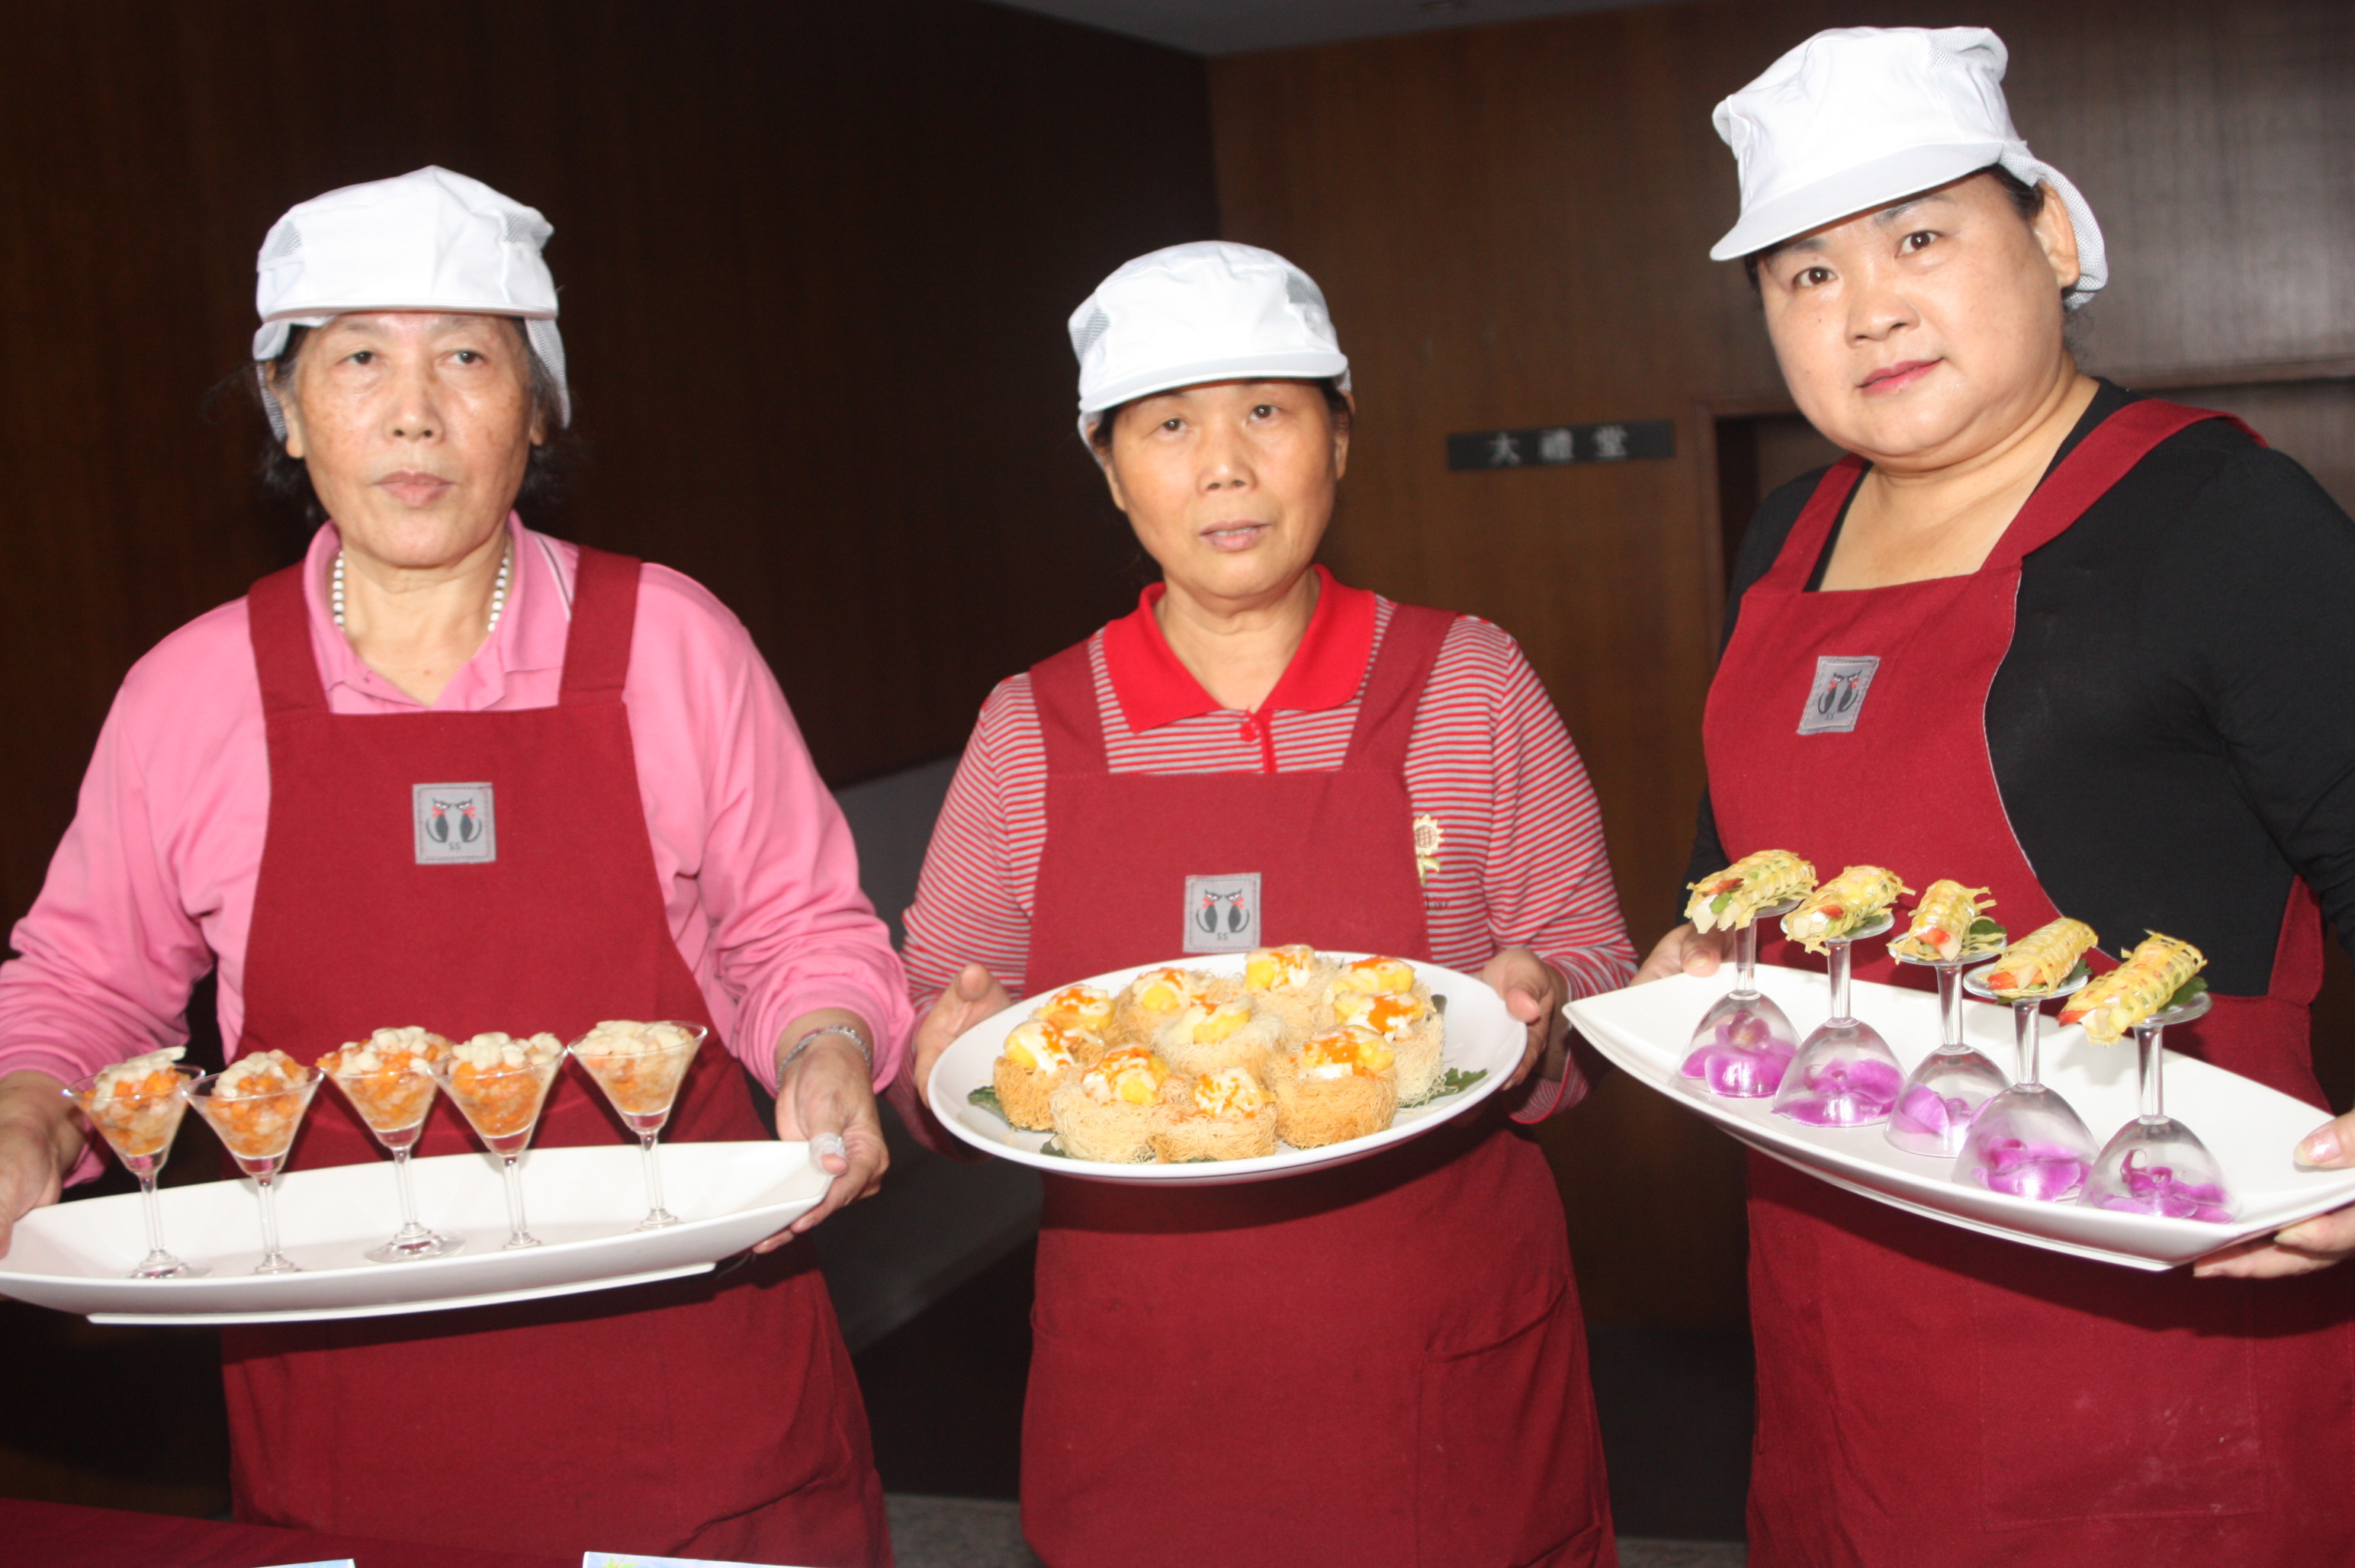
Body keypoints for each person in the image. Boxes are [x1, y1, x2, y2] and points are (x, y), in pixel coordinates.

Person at [0, 167, 910, 1563]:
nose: (414, 412)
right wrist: (27, 1104)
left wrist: (829, 1043)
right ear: (287, 410)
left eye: (468, 359)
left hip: (697, 1386)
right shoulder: (190, 692)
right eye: (359, 358)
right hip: (350, 1406)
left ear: (538, 409)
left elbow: (796, 930)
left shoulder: (674, 642)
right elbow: (83, 983)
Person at [1637, 28, 2355, 1564]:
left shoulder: (2222, 516)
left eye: (1918, 238)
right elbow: (1732, 869)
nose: (1868, 307)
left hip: (2148, 1331)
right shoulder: (1784, 535)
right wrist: (1692, 954)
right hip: (1837, 1319)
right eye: (1805, 273)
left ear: (2051, 237)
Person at [896, 241, 1635, 1568]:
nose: (1224, 466)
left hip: (1435, 1363)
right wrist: (935, 1052)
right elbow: (938, 1025)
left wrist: (1545, 1006)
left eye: (1266, 412)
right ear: (1109, 468)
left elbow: (1592, 954)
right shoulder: (1029, 729)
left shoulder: (1469, 681)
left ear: (1339, 440)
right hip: (1142, 1371)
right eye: (1169, 426)